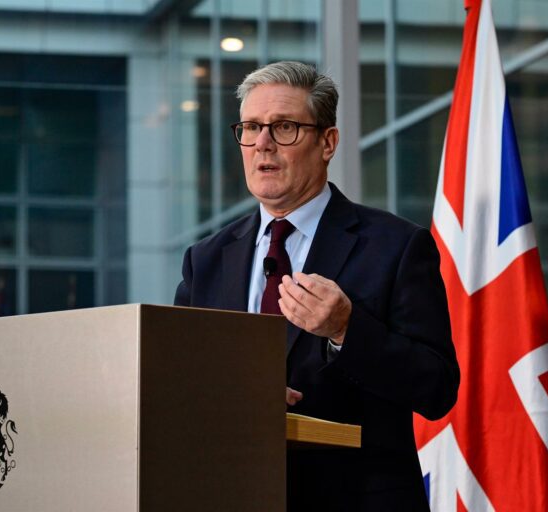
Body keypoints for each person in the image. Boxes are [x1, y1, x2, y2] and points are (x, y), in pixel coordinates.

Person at [174, 61, 459, 511]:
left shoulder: (396, 246)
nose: (263, 143)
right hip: (233, 493)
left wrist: (347, 329)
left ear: (328, 142)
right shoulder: (207, 259)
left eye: (284, 127)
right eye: (251, 128)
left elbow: (437, 388)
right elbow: (177, 380)